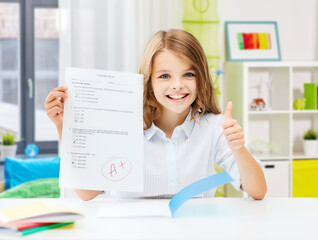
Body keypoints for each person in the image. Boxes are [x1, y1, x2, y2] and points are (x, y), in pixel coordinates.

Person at [45, 29, 267, 201]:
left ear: (200, 79)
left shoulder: (214, 127)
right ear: (149, 82)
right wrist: (63, 126)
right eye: (164, 76)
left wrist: (239, 149)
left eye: (188, 74)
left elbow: (258, 191)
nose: (178, 85)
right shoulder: (124, 124)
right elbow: (86, 193)